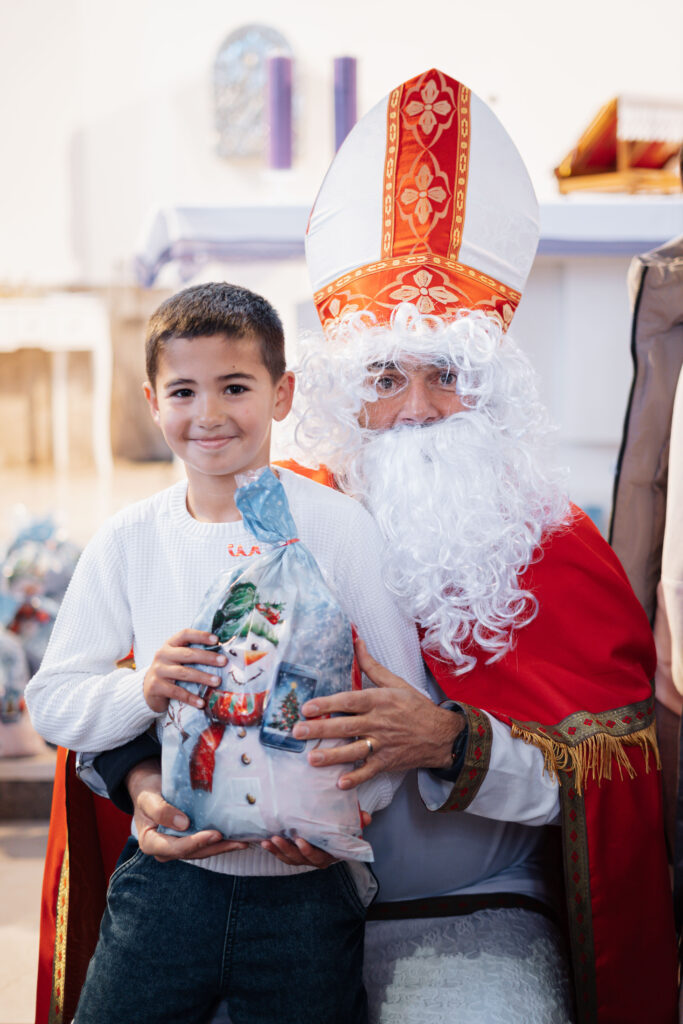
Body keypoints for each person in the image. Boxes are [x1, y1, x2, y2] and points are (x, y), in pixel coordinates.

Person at [42, 70, 678, 1024]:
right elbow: (136, 693)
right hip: (258, 889)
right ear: (334, 393)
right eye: (384, 377)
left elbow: (611, 791)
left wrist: (451, 741)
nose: (416, 409)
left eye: (446, 374)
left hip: (467, 908)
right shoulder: (266, 513)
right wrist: (145, 788)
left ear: (491, 388)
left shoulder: (553, 542)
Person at [25, 281, 428, 1024]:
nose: (208, 414)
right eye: (183, 391)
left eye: (235, 386)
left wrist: (348, 812)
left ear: (282, 394)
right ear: (153, 403)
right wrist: (143, 690)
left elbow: (405, 703)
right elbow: (52, 702)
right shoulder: (130, 540)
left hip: (307, 892)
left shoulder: (340, 530)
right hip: (167, 881)